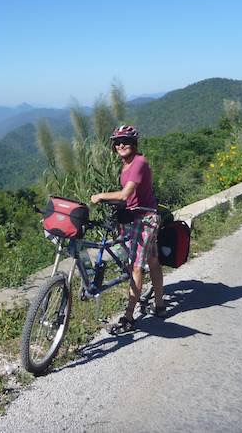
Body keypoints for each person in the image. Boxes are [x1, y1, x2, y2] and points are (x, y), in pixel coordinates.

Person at [90, 124, 165, 333]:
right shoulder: (125, 165)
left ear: (134, 143)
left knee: (137, 267)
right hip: (133, 218)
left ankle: (129, 318)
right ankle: (159, 305)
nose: (121, 145)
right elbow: (129, 198)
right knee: (152, 260)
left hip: (146, 219)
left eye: (126, 141)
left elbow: (125, 194)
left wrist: (101, 196)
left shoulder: (139, 162)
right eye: (117, 142)